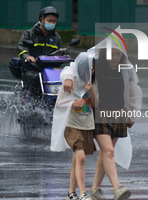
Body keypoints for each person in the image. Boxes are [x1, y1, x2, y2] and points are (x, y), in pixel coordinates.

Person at [62, 26, 142, 200]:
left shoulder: (125, 69)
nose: (114, 58)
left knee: (107, 153)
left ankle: (95, 189)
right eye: (111, 54)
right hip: (100, 114)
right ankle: (117, 188)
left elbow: (132, 90)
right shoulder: (95, 64)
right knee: (108, 151)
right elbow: (73, 67)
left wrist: (132, 113)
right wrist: (68, 78)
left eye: (118, 54)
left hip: (119, 114)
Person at [50, 52, 97, 200]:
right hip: (71, 125)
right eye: (91, 67)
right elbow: (58, 104)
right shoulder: (71, 80)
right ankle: (83, 193)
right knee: (81, 157)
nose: (93, 71)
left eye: (94, 68)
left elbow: (96, 105)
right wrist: (72, 103)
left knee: (77, 159)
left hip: (87, 125)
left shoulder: (92, 83)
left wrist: (92, 93)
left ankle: (71, 193)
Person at [17, 6, 62, 98]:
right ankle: (34, 105)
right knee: (35, 78)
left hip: (49, 69)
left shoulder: (56, 37)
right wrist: (27, 57)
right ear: (41, 19)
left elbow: (59, 53)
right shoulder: (29, 34)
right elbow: (21, 46)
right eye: (49, 21)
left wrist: (61, 55)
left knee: (65, 78)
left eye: (54, 21)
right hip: (32, 69)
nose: (52, 23)